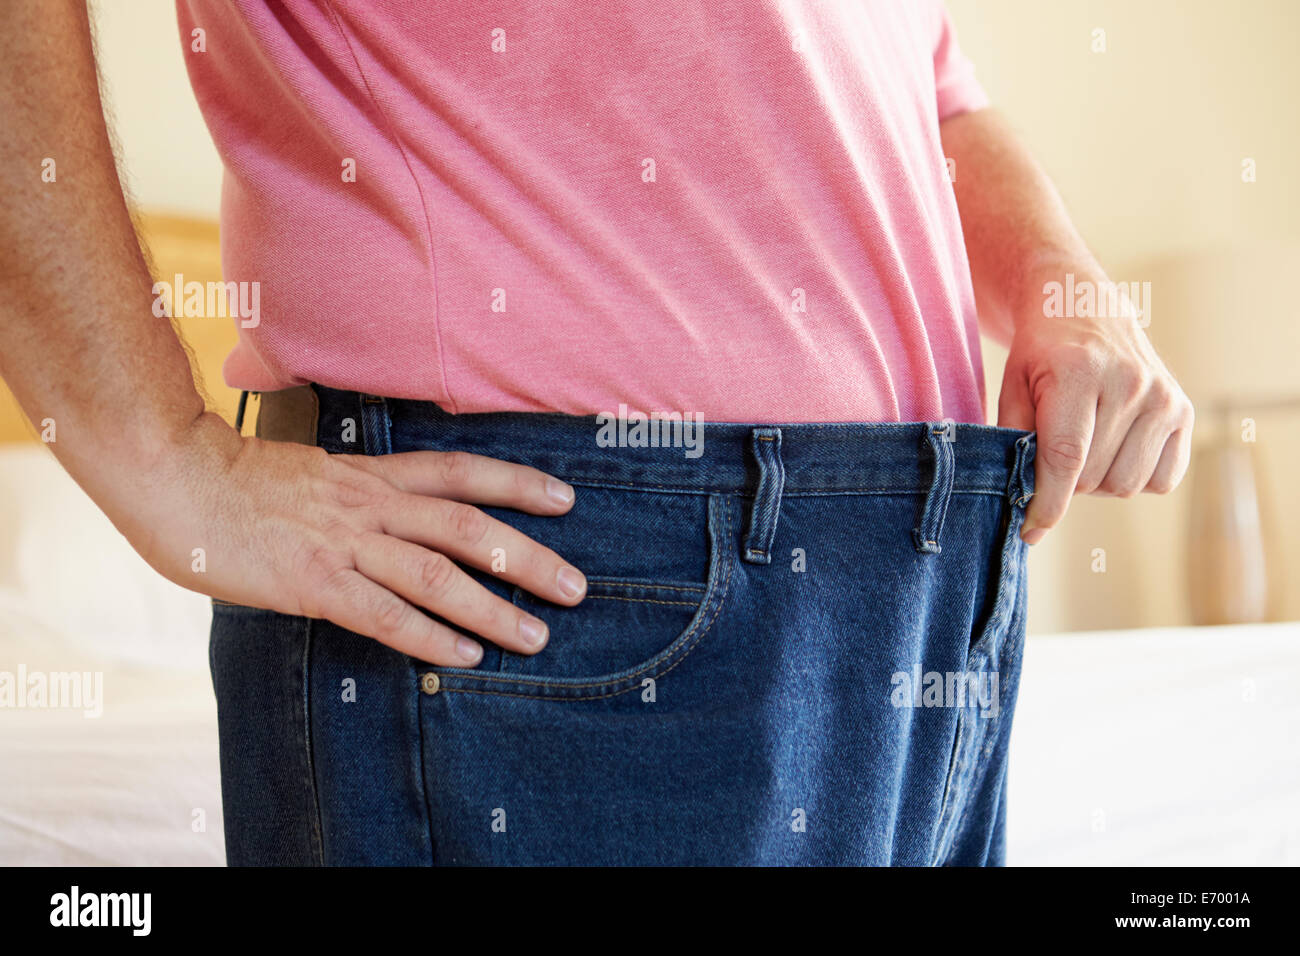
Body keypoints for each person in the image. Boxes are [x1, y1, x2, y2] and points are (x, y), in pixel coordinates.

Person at [0, 0, 1192, 865]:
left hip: (930, 574)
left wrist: (1058, 274)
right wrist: (165, 455)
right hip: (562, 574)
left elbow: (919, 74)